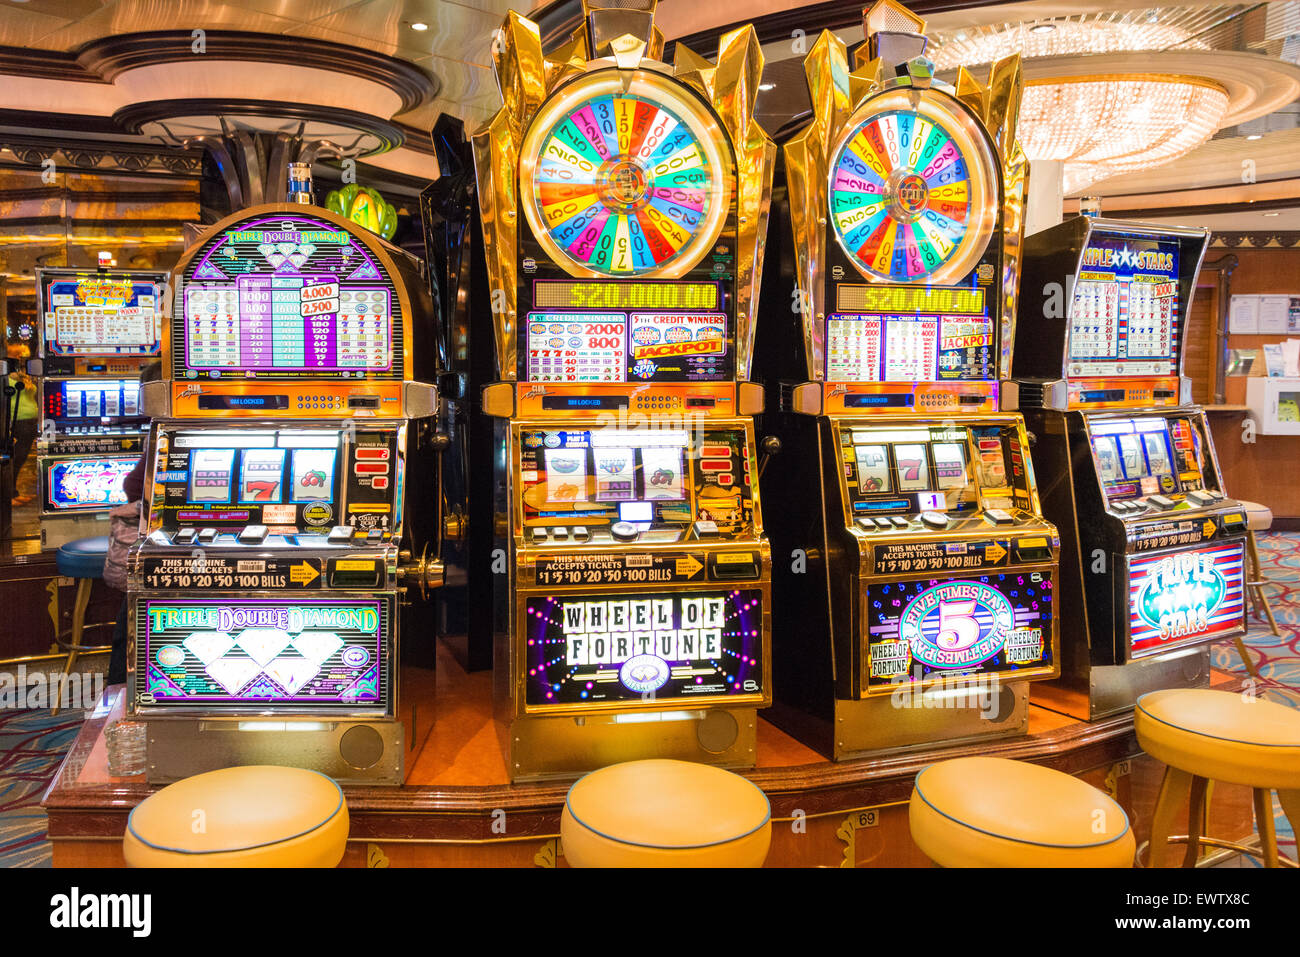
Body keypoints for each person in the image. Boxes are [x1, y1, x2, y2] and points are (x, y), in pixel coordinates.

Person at [103, 361, 161, 686]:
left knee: (135, 613)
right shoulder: (163, 431)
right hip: (156, 541)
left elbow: (133, 486)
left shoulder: (163, 430)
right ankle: (123, 690)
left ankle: (121, 690)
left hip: (159, 540)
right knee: (135, 614)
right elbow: (137, 486)